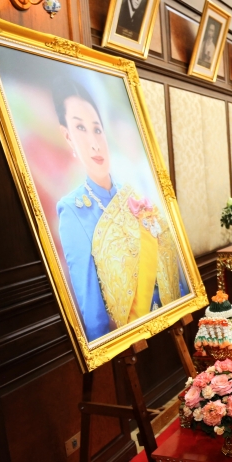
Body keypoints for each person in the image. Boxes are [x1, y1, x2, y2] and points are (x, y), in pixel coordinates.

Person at [53, 78, 186, 341]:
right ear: (67, 136)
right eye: (80, 128)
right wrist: (106, 345)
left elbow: (171, 265)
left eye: (97, 129)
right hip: (130, 344)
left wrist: (183, 308)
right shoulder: (73, 210)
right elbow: (90, 302)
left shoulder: (136, 196)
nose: (94, 143)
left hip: (173, 327)